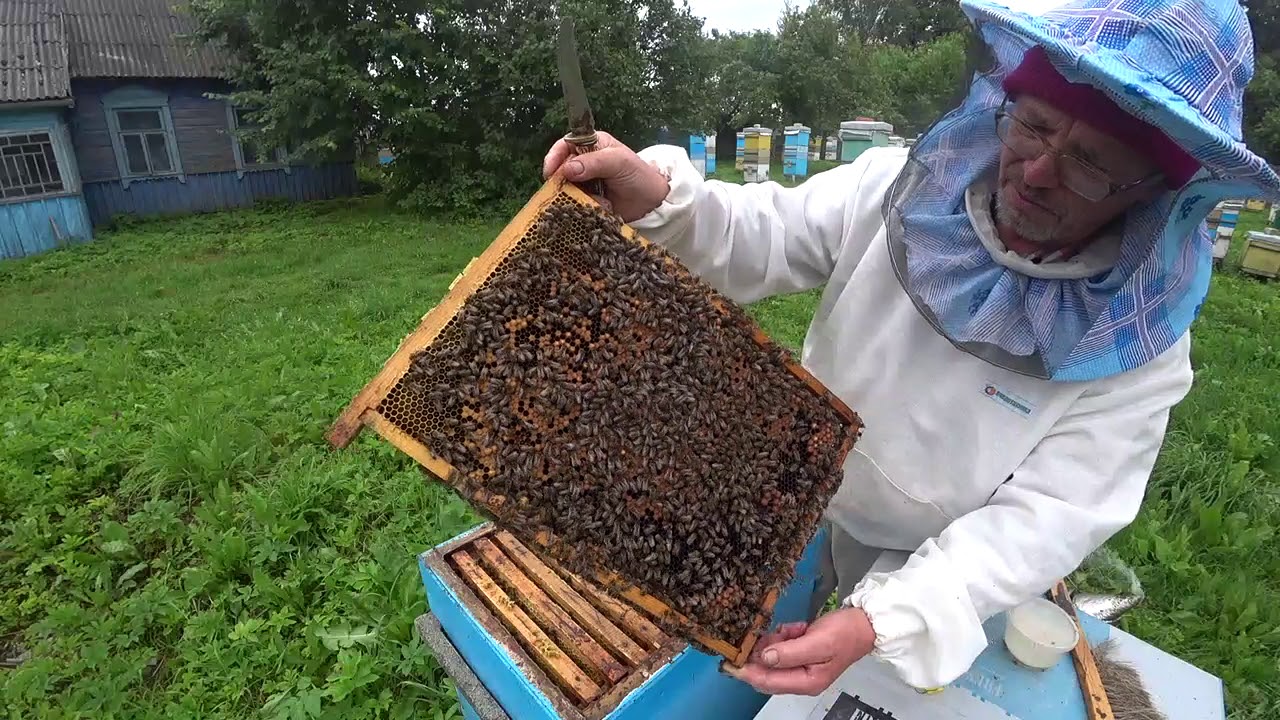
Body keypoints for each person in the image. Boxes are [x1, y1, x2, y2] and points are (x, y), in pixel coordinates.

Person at [543, 0, 1278, 699]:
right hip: (783, 489)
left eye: (1089, 162)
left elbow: (1053, 513)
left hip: (925, 561)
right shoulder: (894, 187)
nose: (1038, 171)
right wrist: (656, 198)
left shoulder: (1140, 348)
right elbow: (754, 235)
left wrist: (886, 619)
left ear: (1149, 189)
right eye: (1033, 126)